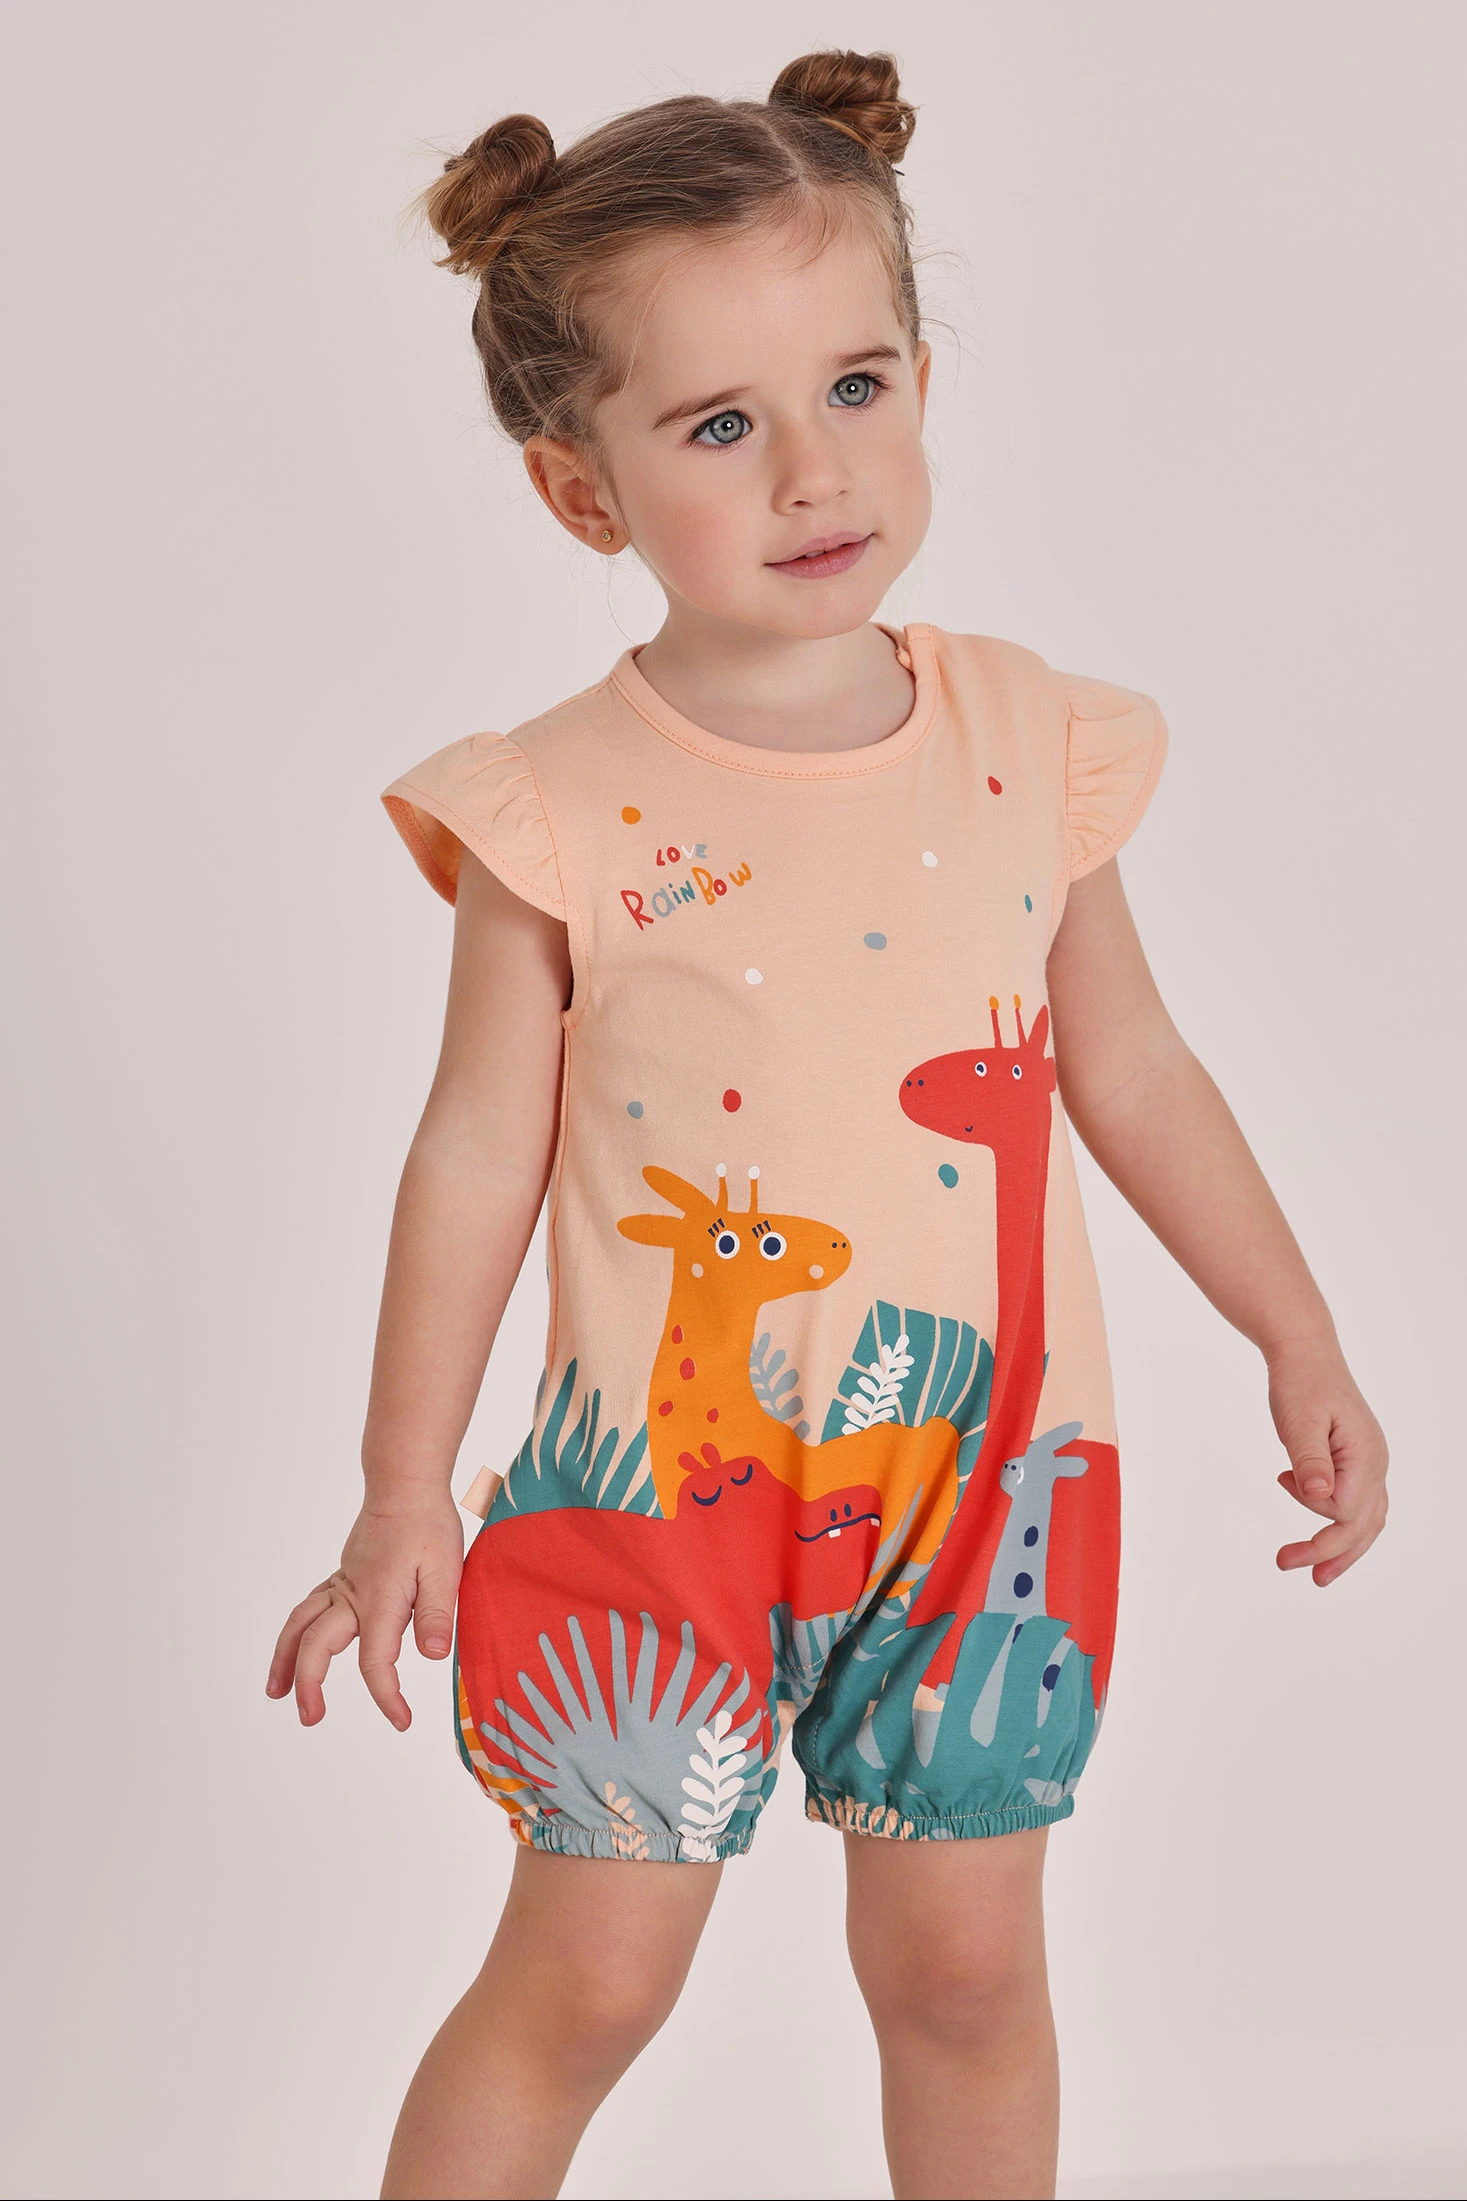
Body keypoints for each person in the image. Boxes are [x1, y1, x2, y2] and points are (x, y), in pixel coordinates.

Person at [266, 50, 1388, 2201]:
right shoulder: (549, 806)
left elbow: (1130, 1066)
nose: (811, 469)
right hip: (655, 1499)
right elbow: (473, 1155)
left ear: (922, 379)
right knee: (589, 1984)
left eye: (856, 385)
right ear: (579, 492)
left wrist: (1298, 1331)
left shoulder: (1026, 738)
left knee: (963, 1973)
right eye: (718, 425)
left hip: (976, 1484)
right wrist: (402, 1486)